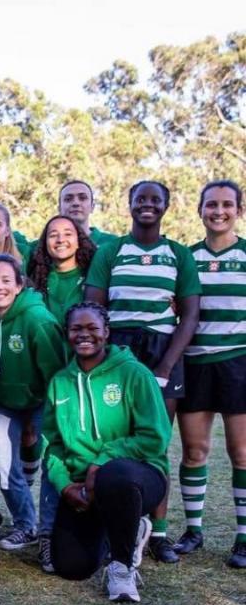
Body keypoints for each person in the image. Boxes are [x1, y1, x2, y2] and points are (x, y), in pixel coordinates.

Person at [85, 180, 201, 563]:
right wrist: (106, 360)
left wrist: (166, 365)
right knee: (112, 438)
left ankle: (159, 534)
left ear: (166, 206)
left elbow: (190, 314)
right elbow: (94, 308)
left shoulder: (179, 254)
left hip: (163, 349)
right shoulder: (112, 251)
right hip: (119, 348)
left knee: (155, 442)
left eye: (155, 199)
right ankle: (113, 529)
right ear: (130, 203)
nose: (147, 204)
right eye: (140, 198)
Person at [44, 302, 171, 602]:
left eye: (92, 328)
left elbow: (155, 437)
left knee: (115, 474)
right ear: (67, 333)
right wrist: (65, 486)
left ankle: (122, 569)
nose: (84, 334)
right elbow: (52, 444)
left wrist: (100, 463)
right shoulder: (60, 382)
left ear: (107, 332)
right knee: (71, 566)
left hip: (137, 477)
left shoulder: (134, 373)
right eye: (76, 329)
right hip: (83, 488)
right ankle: (126, 528)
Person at [0, 254, 65, 562]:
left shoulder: (37, 320)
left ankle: (49, 533)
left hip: (42, 399)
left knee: (52, 462)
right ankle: (26, 524)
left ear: (19, 285)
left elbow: (56, 373)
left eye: (5, 280)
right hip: (3, 401)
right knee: (3, 459)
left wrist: (48, 416)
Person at [174, 180, 246, 567]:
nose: (219, 211)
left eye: (227, 205)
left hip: (238, 362)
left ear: (239, 210)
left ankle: (243, 537)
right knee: (194, 451)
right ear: (200, 210)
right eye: (211, 205)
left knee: (242, 453)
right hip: (196, 362)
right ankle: (193, 531)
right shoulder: (187, 258)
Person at [28, 215, 98, 325]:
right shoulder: (37, 280)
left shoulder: (93, 276)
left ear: (78, 241)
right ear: (45, 243)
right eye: (53, 235)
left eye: (68, 234)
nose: (60, 240)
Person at [58, 180, 118, 250]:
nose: (76, 203)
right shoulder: (51, 245)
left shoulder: (113, 242)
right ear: (59, 209)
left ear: (92, 207)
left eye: (82, 198)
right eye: (68, 199)